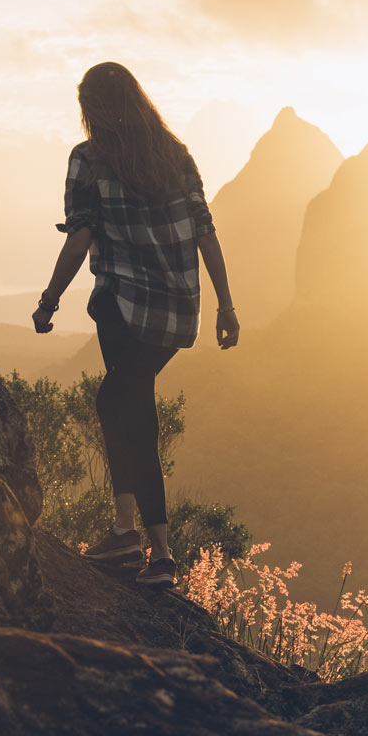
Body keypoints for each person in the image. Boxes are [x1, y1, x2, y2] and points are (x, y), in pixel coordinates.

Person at [31, 62, 237, 588]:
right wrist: (225, 305)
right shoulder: (176, 155)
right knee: (133, 406)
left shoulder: (90, 159)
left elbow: (79, 239)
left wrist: (50, 301)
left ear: (94, 108)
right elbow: (205, 234)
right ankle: (159, 553)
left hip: (122, 305)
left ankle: (129, 534)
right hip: (176, 311)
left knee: (117, 402)